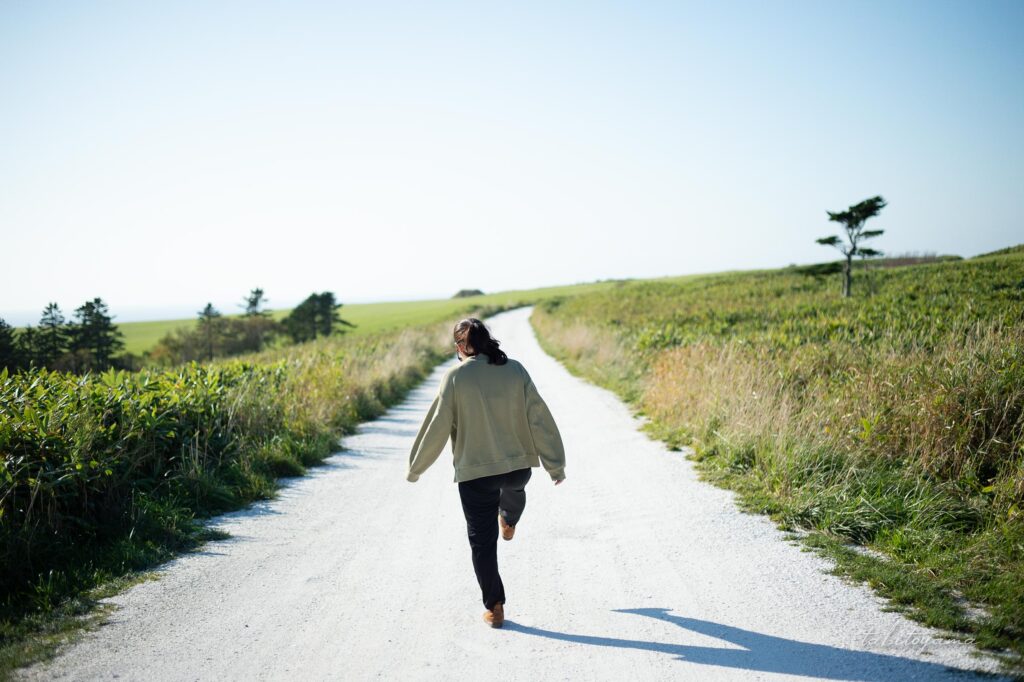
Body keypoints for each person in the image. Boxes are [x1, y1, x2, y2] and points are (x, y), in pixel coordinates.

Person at [406, 317, 566, 628]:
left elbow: (437, 426)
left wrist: (416, 468)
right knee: (514, 491)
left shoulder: (455, 377)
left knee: (482, 542)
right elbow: (538, 417)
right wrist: (554, 465)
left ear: (461, 346)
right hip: (518, 468)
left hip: (476, 476)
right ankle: (509, 519)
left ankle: (495, 606)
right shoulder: (516, 370)